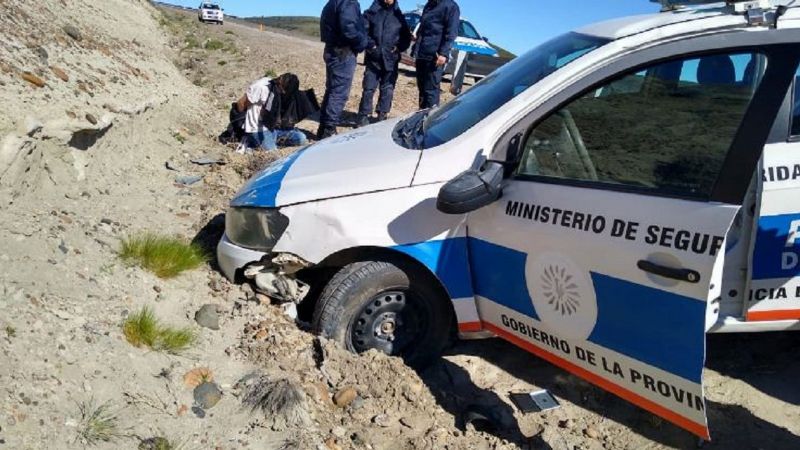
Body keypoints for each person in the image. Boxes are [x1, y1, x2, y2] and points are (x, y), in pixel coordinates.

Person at [356, 0, 412, 127]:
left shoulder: (399, 16)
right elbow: (363, 31)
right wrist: (371, 46)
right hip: (373, 58)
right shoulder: (372, 12)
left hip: (391, 59)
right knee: (369, 87)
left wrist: (398, 48)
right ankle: (363, 115)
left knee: (387, 88)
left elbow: (406, 38)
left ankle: (382, 115)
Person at [318, 0, 369, 139]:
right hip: (343, 52)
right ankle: (328, 130)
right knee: (339, 92)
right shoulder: (348, 2)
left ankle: (323, 127)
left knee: (332, 89)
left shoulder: (334, 2)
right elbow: (349, 27)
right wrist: (362, 43)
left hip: (333, 49)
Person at [236, 73, 309, 152]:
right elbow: (240, 104)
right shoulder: (261, 87)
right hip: (258, 130)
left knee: (301, 139)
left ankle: (269, 141)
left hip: (273, 128)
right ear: (281, 84)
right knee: (273, 152)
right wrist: (242, 123)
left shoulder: (277, 90)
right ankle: (249, 140)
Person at [413, 0, 460, 109]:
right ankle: (421, 115)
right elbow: (423, 28)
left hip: (435, 56)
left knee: (431, 90)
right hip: (422, 53)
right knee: (422, 89)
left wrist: (443, 53)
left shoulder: (451, 6)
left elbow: (451, 33)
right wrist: (416, 47)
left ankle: (431, 116)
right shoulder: (429, 5)